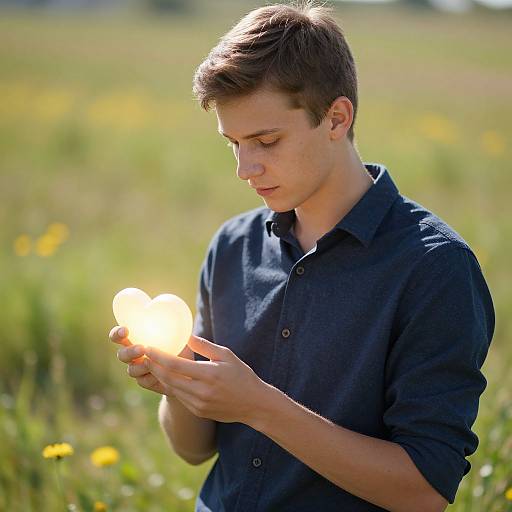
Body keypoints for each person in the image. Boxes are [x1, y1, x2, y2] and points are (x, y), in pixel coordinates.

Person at [109, 2, 495, 511]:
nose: (245, 168)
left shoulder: (435, 269)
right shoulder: (232, 246)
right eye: (234, 143)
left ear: (337, 118)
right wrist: (178, 382)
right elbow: (193, 450)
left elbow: (425, 492)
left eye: (265, 141)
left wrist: (260, 407)